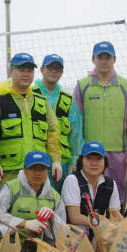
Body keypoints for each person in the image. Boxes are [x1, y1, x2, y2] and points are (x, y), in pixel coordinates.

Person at [74, 41, 127, 207]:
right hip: (90, 154)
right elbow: (75, 122)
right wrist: (77, 152)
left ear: (114, 59)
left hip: (118, 153)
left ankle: (118, 230)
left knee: (118, 198)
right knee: (90, 196)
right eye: (100, 57)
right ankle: (92, 229)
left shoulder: (125, 86)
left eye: (108, 57)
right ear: (93, 59)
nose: (104, 61)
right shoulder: (82, 86)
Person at [0, 53, 62, 205]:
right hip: (7, 171)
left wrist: (56, 160)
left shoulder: (41, 101)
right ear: (11, 72)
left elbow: (53, 130)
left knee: (35, 210)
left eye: (29, 70)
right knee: (2, 213)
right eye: (21, 69)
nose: (26, 74)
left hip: (37, 170)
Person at [0, 151, 66, 252]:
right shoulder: (11, 188)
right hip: (14, 240)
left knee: (58, 246)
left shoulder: (54, 196)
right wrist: (25, 223)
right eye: (33, 168)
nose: (37, 173)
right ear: (24, 170)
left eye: (42, 169)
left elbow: (62, 229)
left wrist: (53, 217)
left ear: (47, 170)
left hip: (37, 242)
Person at [32, 54, 83, 191]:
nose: (54, 71)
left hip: (63, 163)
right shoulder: (30, 94)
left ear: (62, 72)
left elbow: (75, 132)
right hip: (36, 162)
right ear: (42, 69)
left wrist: (74, 159)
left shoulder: (68, 100)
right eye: (50, 67)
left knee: (61, 202)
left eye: (58, 68)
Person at [61, 141, 122, 238]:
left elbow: (116, 216)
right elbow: (74, 217)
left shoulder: (110, 184)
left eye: (98, 159)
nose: (94, 163)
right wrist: (100, 225)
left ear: (104, 162)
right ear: (81, 161)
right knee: (79, 230)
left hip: (100, 229)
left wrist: (126, 228)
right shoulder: (72, 180)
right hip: (79, 230)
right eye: (89, 158)